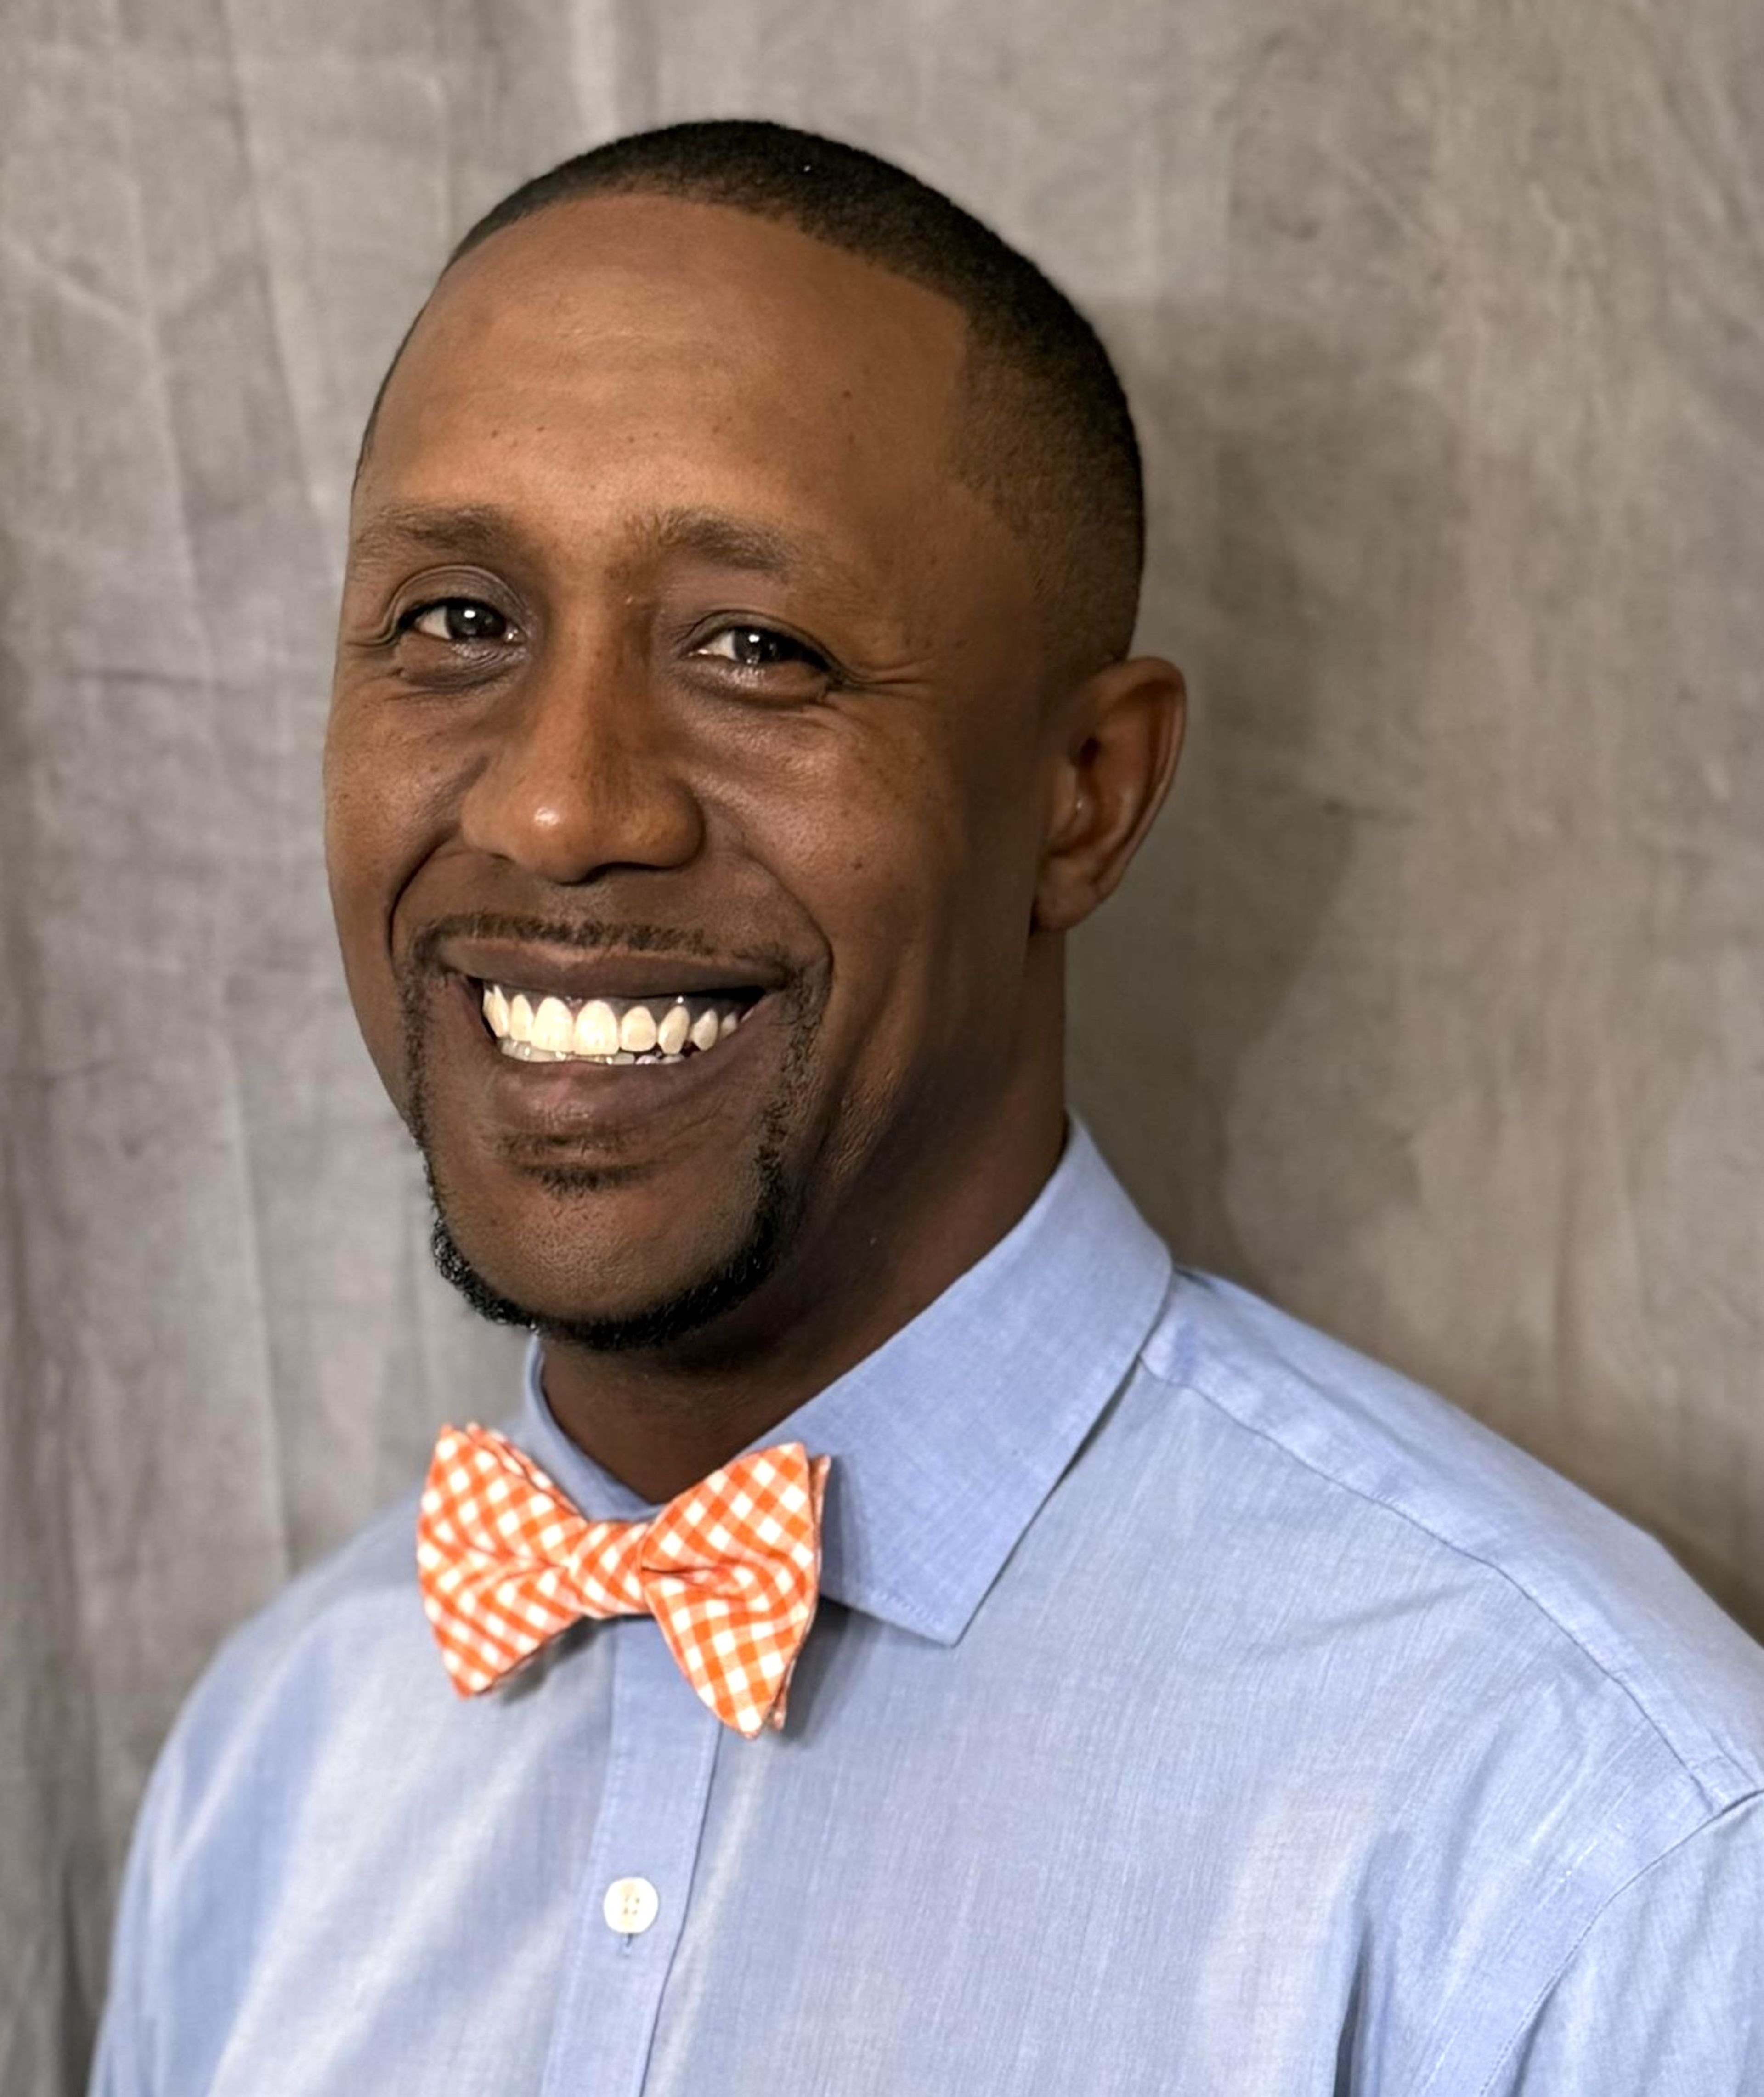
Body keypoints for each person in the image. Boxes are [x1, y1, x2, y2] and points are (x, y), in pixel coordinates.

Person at [91, 119, 1764, 2096]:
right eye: (458, 622)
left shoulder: (1589, 1844)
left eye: (756, 649)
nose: (557, 805)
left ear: (1085, 796)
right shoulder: (272, 1766)